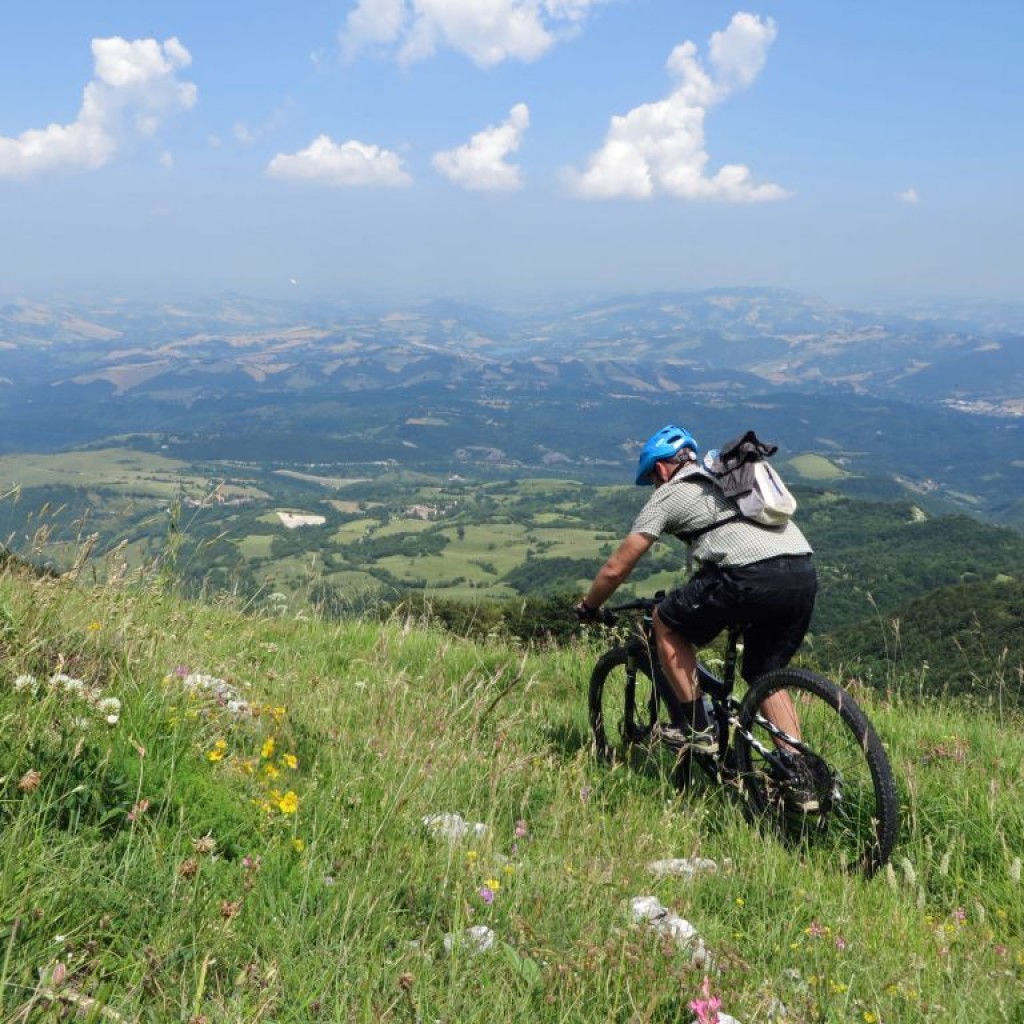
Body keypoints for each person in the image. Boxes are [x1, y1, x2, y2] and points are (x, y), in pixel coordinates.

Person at [575, 424, 817, 755]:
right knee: (764, 672)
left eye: (651, 479)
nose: (653, 486)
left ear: (660, 469)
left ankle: (699, 730)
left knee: (666, 622)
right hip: (802, 571)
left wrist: (589, 607)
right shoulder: (728, 479)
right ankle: (799, 772)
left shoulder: (667, 494)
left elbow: (616, 569)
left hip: (748, 574)